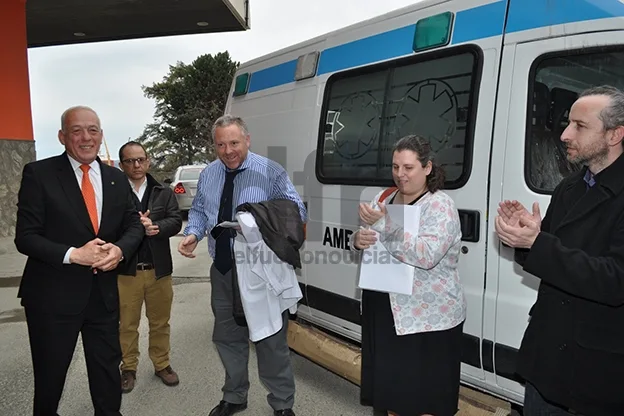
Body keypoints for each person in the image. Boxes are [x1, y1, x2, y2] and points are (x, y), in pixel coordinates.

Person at [494, 85, 624, 416]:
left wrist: (539, 244)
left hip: (598, 373)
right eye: (568, 123)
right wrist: (525, 238)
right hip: (547, 364)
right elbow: (549, 257)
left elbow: (615, 281)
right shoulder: (570, 186)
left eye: (580, 126)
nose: (565, 134)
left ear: (614, 135)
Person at [14, 106, 144, 416]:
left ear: (101, 136)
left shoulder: (115, 177)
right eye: (76, 131)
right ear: (62, 136)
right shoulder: (39, 174)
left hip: (103, 296)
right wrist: (75, 255)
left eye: (93, 130)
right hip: (51, 298)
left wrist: (120, 250)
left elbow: (134, 224)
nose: (86, 137)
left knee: (106, 374)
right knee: (50, 377)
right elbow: (26, 237)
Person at [178, 114, 306, 416]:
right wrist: (193, 234)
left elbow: (295, 210)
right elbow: (198, 210)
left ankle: (282, 403)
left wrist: (259, 221)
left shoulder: (269, 171)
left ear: (247, 140)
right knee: (227, 337)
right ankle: (234, 397)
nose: (228, 150)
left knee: (270, 338)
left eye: (234, 142)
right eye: (220, 144)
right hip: (222, 269)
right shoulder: (209, 173)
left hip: (260, 269)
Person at [352, 135, 466, 416]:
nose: (400, 175)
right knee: (391, 396)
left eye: (408, 167)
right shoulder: (384, 198)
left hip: (426, 319)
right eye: (395, 167)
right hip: (386, 310)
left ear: (427, 167)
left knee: (423, 400)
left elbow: (426, 254)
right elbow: (366, 238)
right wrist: (358, 240)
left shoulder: (439, 206)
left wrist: (383, 224)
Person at [116, 141, 183, 393]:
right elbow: (107, 226)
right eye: (130, 161)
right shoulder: (115, 192)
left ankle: (162, 364)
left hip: (158, 270)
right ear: (122, 164)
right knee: (127, 324)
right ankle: (129, 367)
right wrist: (133, 229)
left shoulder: (162, 191)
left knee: (160, 322)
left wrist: (157, 228)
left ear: (148, 160)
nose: (137, 165)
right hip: (127, 271)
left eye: (141, 159)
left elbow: (175, 220)